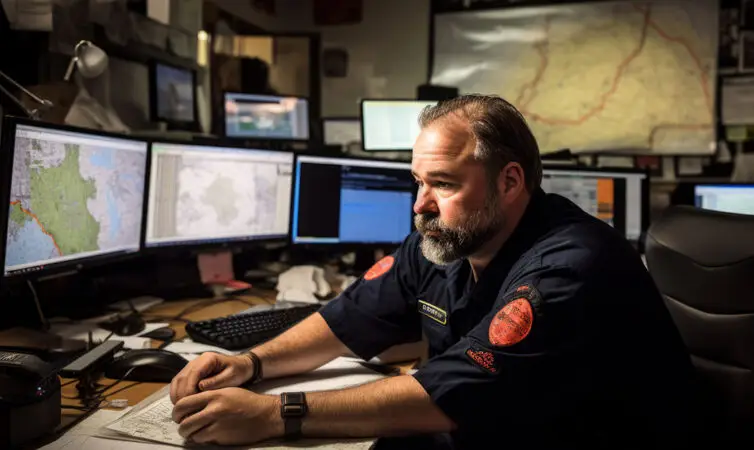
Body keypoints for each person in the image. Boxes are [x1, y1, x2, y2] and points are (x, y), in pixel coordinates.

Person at [169, 95, 698, 449]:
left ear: (510, 182)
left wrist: (270, 414)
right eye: (417, 182)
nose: (420, 205)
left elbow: (447, 395)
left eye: (443, 184)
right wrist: (250, 365)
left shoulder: (569, 268)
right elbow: (345, 319)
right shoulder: (444, 241)